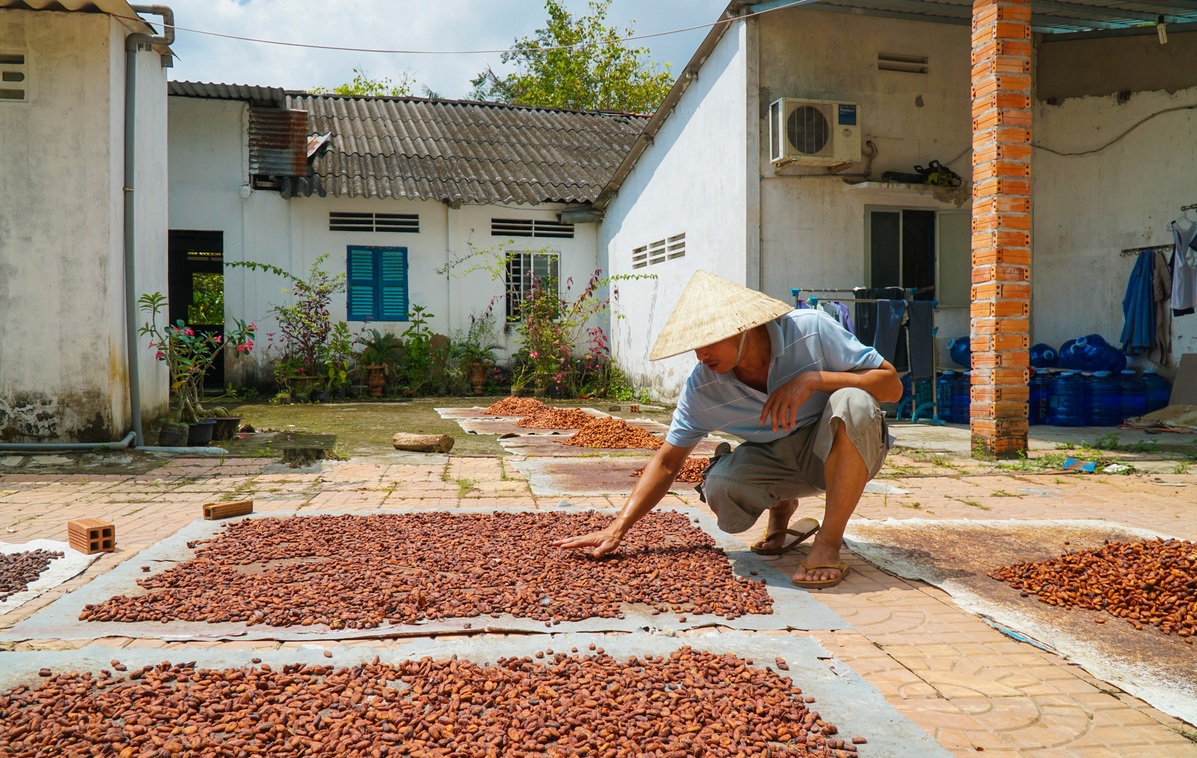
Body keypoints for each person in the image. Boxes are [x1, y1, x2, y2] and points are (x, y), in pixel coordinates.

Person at [552, 270, 902, 589]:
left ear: (743, 328)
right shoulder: (703, 388)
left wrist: (813, 380)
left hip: (842, 447)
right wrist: (618, 528)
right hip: (780, 459)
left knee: (853, 400)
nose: (701, 355)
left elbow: (891, 386)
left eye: (709, 341)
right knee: (719, 486)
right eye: (694, 345)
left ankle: (827, 545)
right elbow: (667, 462)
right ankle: (781, 504)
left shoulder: (810, 329)